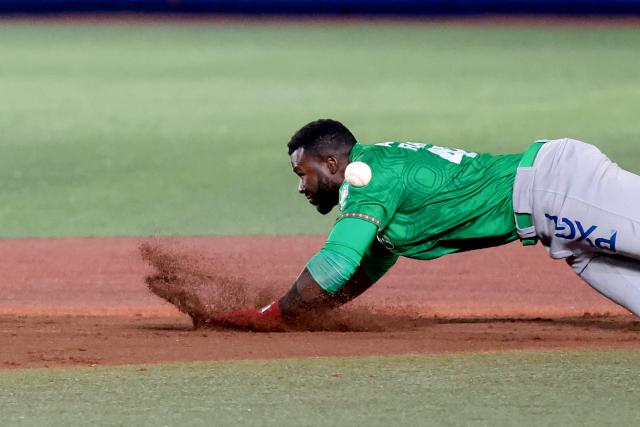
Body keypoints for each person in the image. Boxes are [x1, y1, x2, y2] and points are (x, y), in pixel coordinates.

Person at [151, 119, 640, 330]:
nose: (302, 187)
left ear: (331, 162)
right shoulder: (379, 189)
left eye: (304, 175)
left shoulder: (369, 179)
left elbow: (337, 261)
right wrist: (303, 315)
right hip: (558, 225)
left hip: (562, 188)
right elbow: (362, 268)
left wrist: (276, 315)